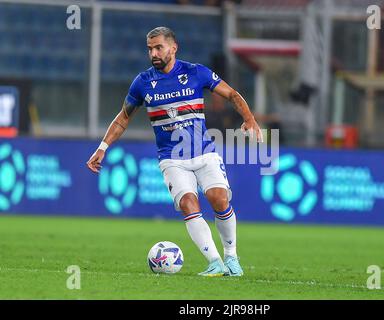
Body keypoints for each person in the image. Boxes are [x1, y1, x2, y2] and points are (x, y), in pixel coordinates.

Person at [86, 26, 263, 277]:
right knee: (188, 203)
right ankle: (214, 262)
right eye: (149, 49)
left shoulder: (195, 72)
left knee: (219, 199)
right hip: (172, 159)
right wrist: (103, 147)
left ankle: (231, 258)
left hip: (204, 152)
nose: (153, 53)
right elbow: (123, 118)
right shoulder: (143, 82)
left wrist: (249, 118)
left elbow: (231, 94)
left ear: (173, 47)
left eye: (158, 47)